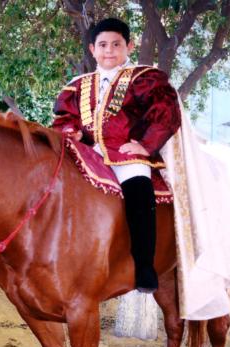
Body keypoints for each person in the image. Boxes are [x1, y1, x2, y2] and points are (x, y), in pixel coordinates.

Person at [52, 18, 181, 293]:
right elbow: (65, 118)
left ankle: (145, 265)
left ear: (129, 46)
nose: (109, 50)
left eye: (116, 44)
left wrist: (145, 146)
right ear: (92, 49)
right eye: (102, 45)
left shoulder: (143, 78)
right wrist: (71, 131)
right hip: (88, 153)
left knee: (138, 188)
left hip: (125, 154)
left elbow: (166, 114)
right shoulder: (78, 84)